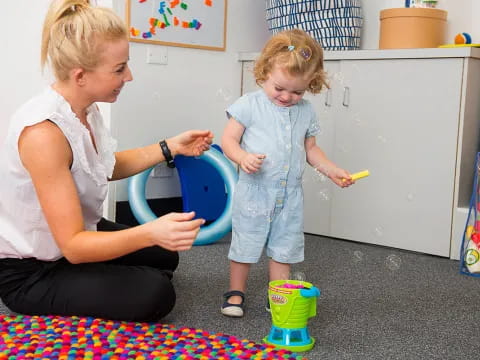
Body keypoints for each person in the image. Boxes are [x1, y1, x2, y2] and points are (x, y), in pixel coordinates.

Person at [0, 0, 213, 322]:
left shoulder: (84, 109)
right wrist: (150, 232)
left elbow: (102, 167)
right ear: (80, 75)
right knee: (155, 292)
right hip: (31, 272)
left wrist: (170, 147)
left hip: (73, 235)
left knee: (165, 255)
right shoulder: (44, 133)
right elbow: (73, 246)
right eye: (119, 69)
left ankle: (100, 276)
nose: (129, 76)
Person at [220, 29, 355, 317]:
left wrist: (331, 170)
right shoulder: (249, 104)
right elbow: (228, 141)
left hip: (290, 194)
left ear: (310, 84)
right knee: (246, 241)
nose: (287, 96)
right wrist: (242, 157)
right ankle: (235, 293)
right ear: (266, 70)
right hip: (255, 191)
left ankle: (278, 295)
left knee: (285, 247)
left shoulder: (306, 111)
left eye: (297, 91)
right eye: (279, 88)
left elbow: (311, 150)